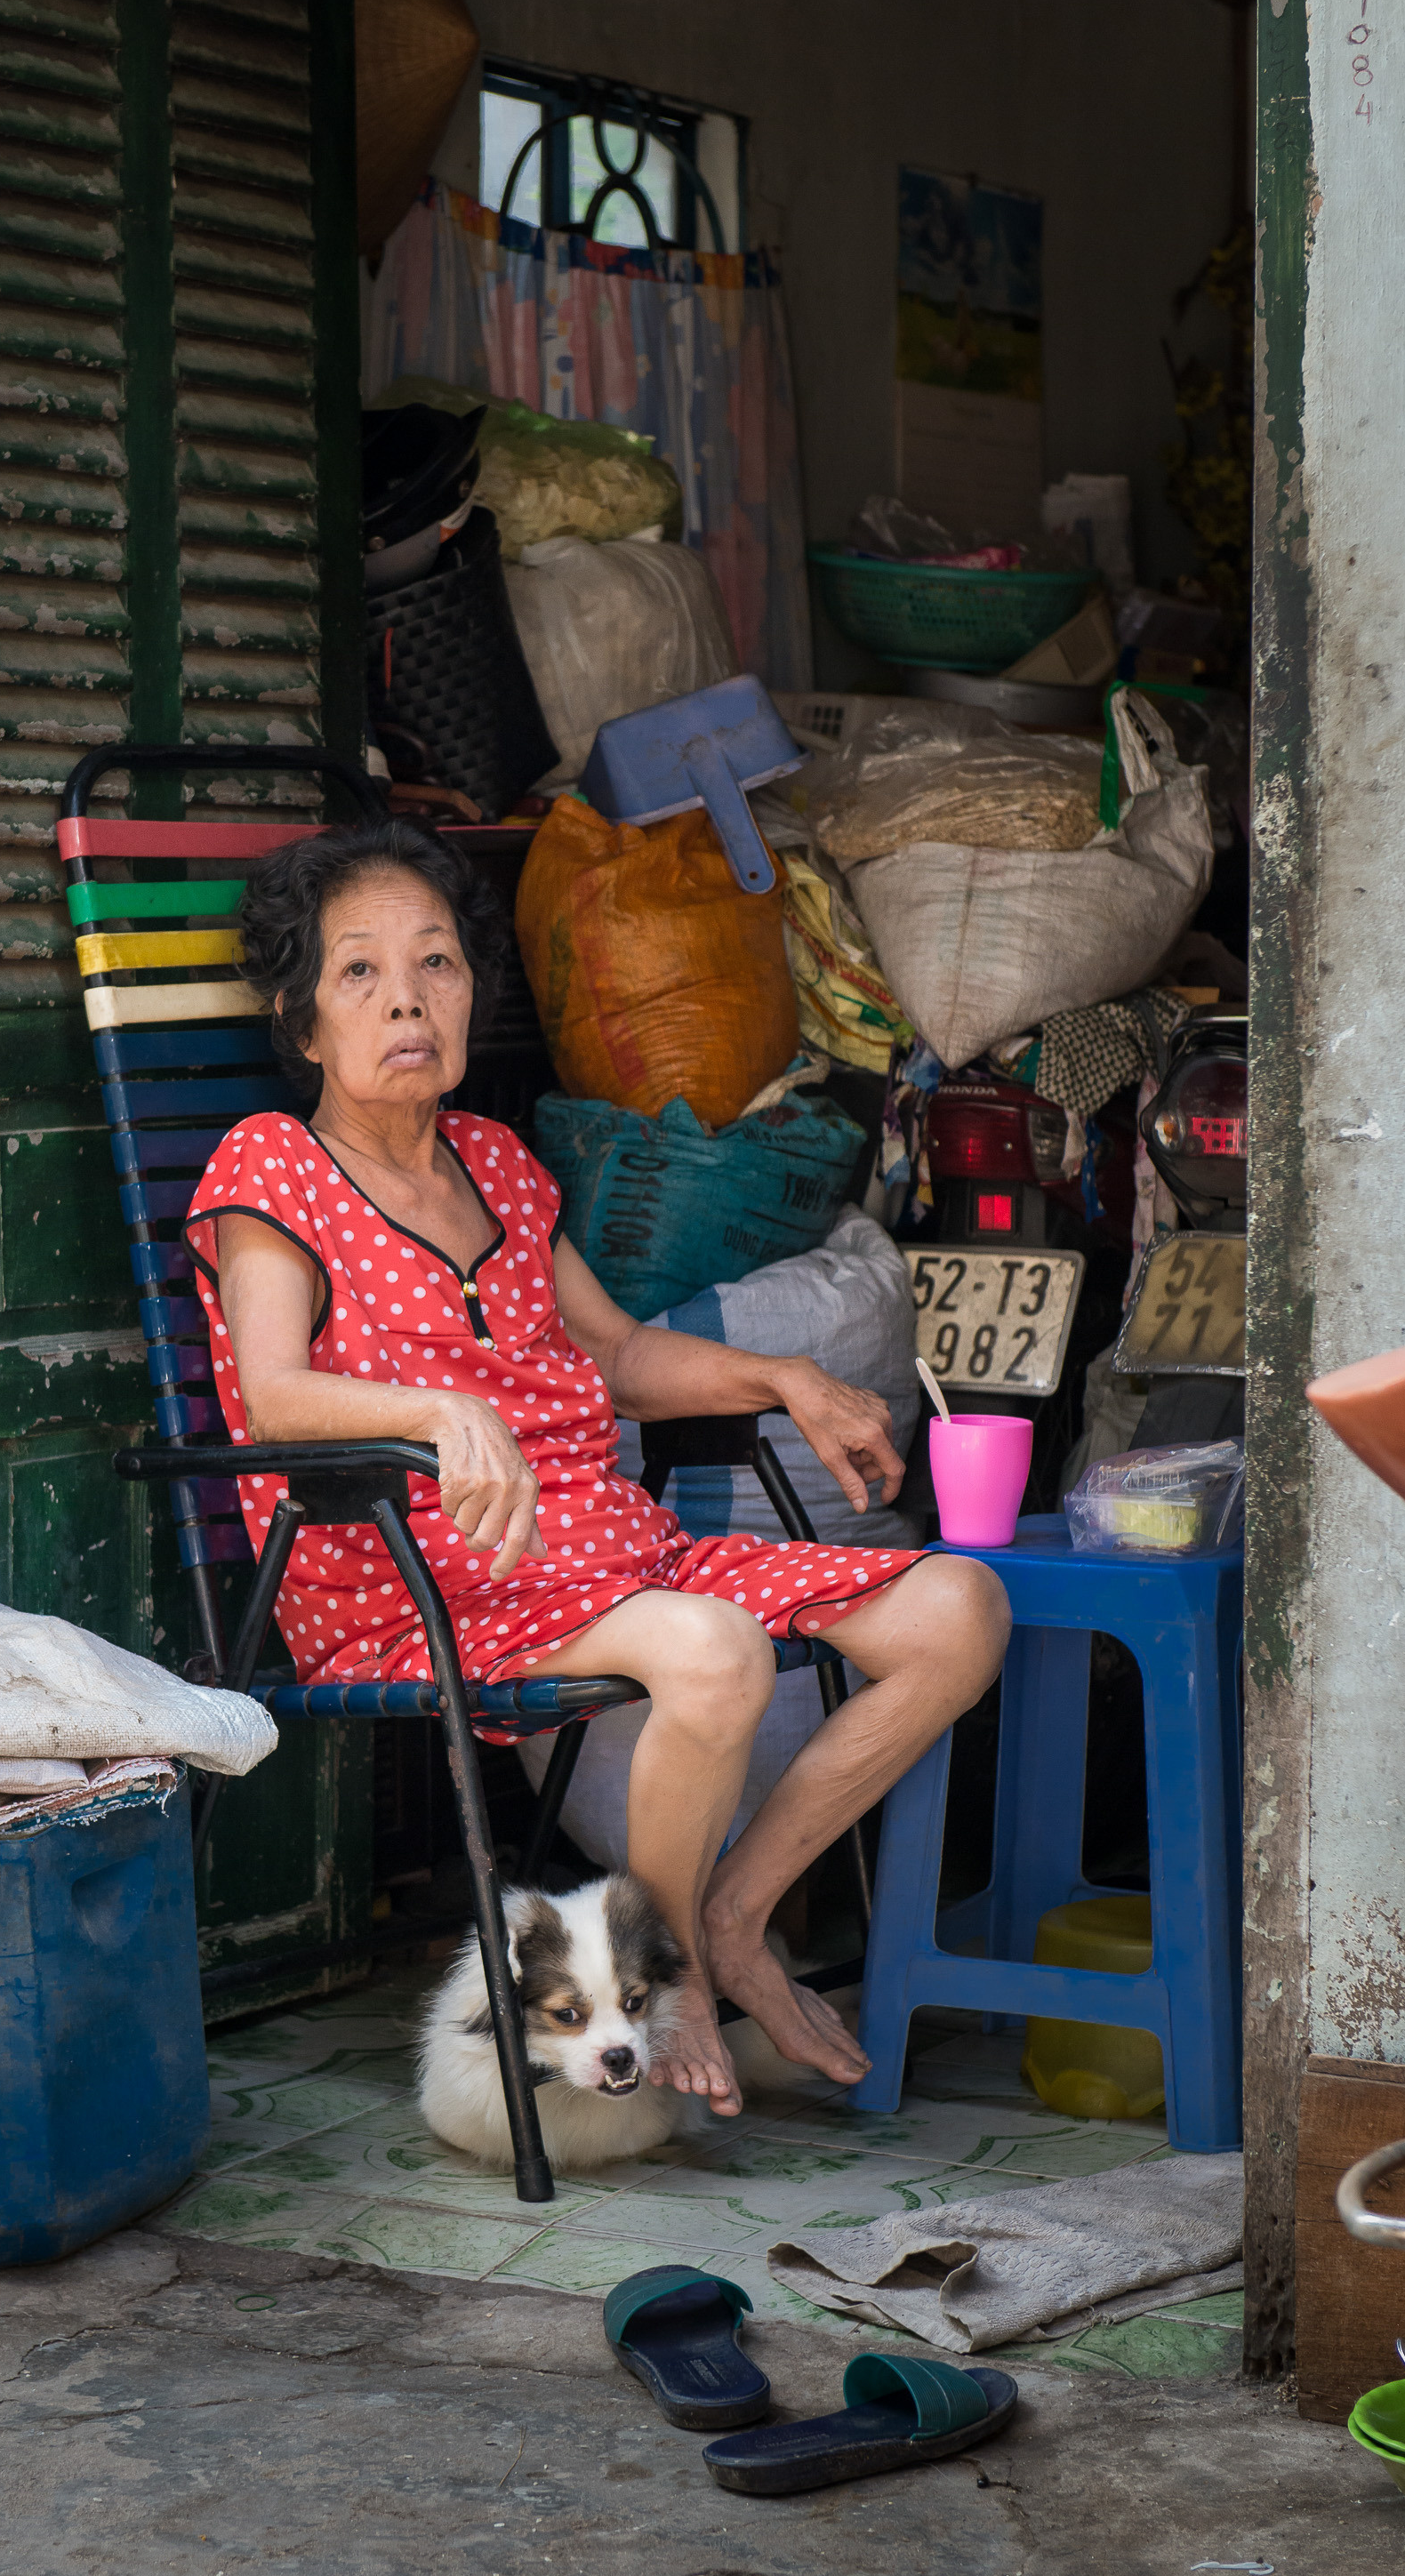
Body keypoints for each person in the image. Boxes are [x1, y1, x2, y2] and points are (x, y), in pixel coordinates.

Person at [184, 818, 1010, 2115]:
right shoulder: (272, 1164)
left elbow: (618, 1353)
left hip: (610, 1557)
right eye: (359, 972)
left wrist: (784, 1379)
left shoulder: (502, 1166)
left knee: (959, 1608)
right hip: (418, 1582)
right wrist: (441, 1414)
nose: (406, 999)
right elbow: (275, 1393)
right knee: (713, 1650)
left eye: (437, 962)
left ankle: (730, 1919)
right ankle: (658, 1981)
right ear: (303, 1021)